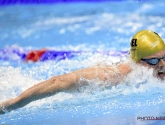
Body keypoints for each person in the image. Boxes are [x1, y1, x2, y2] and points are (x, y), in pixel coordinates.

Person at [1, 30, 165, 114]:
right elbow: (58, 82)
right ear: (137, 61)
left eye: (164, 57)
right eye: (153, 60)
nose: (162, 64)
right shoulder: (114, 77)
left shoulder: (158, 68)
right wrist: (15, 103)